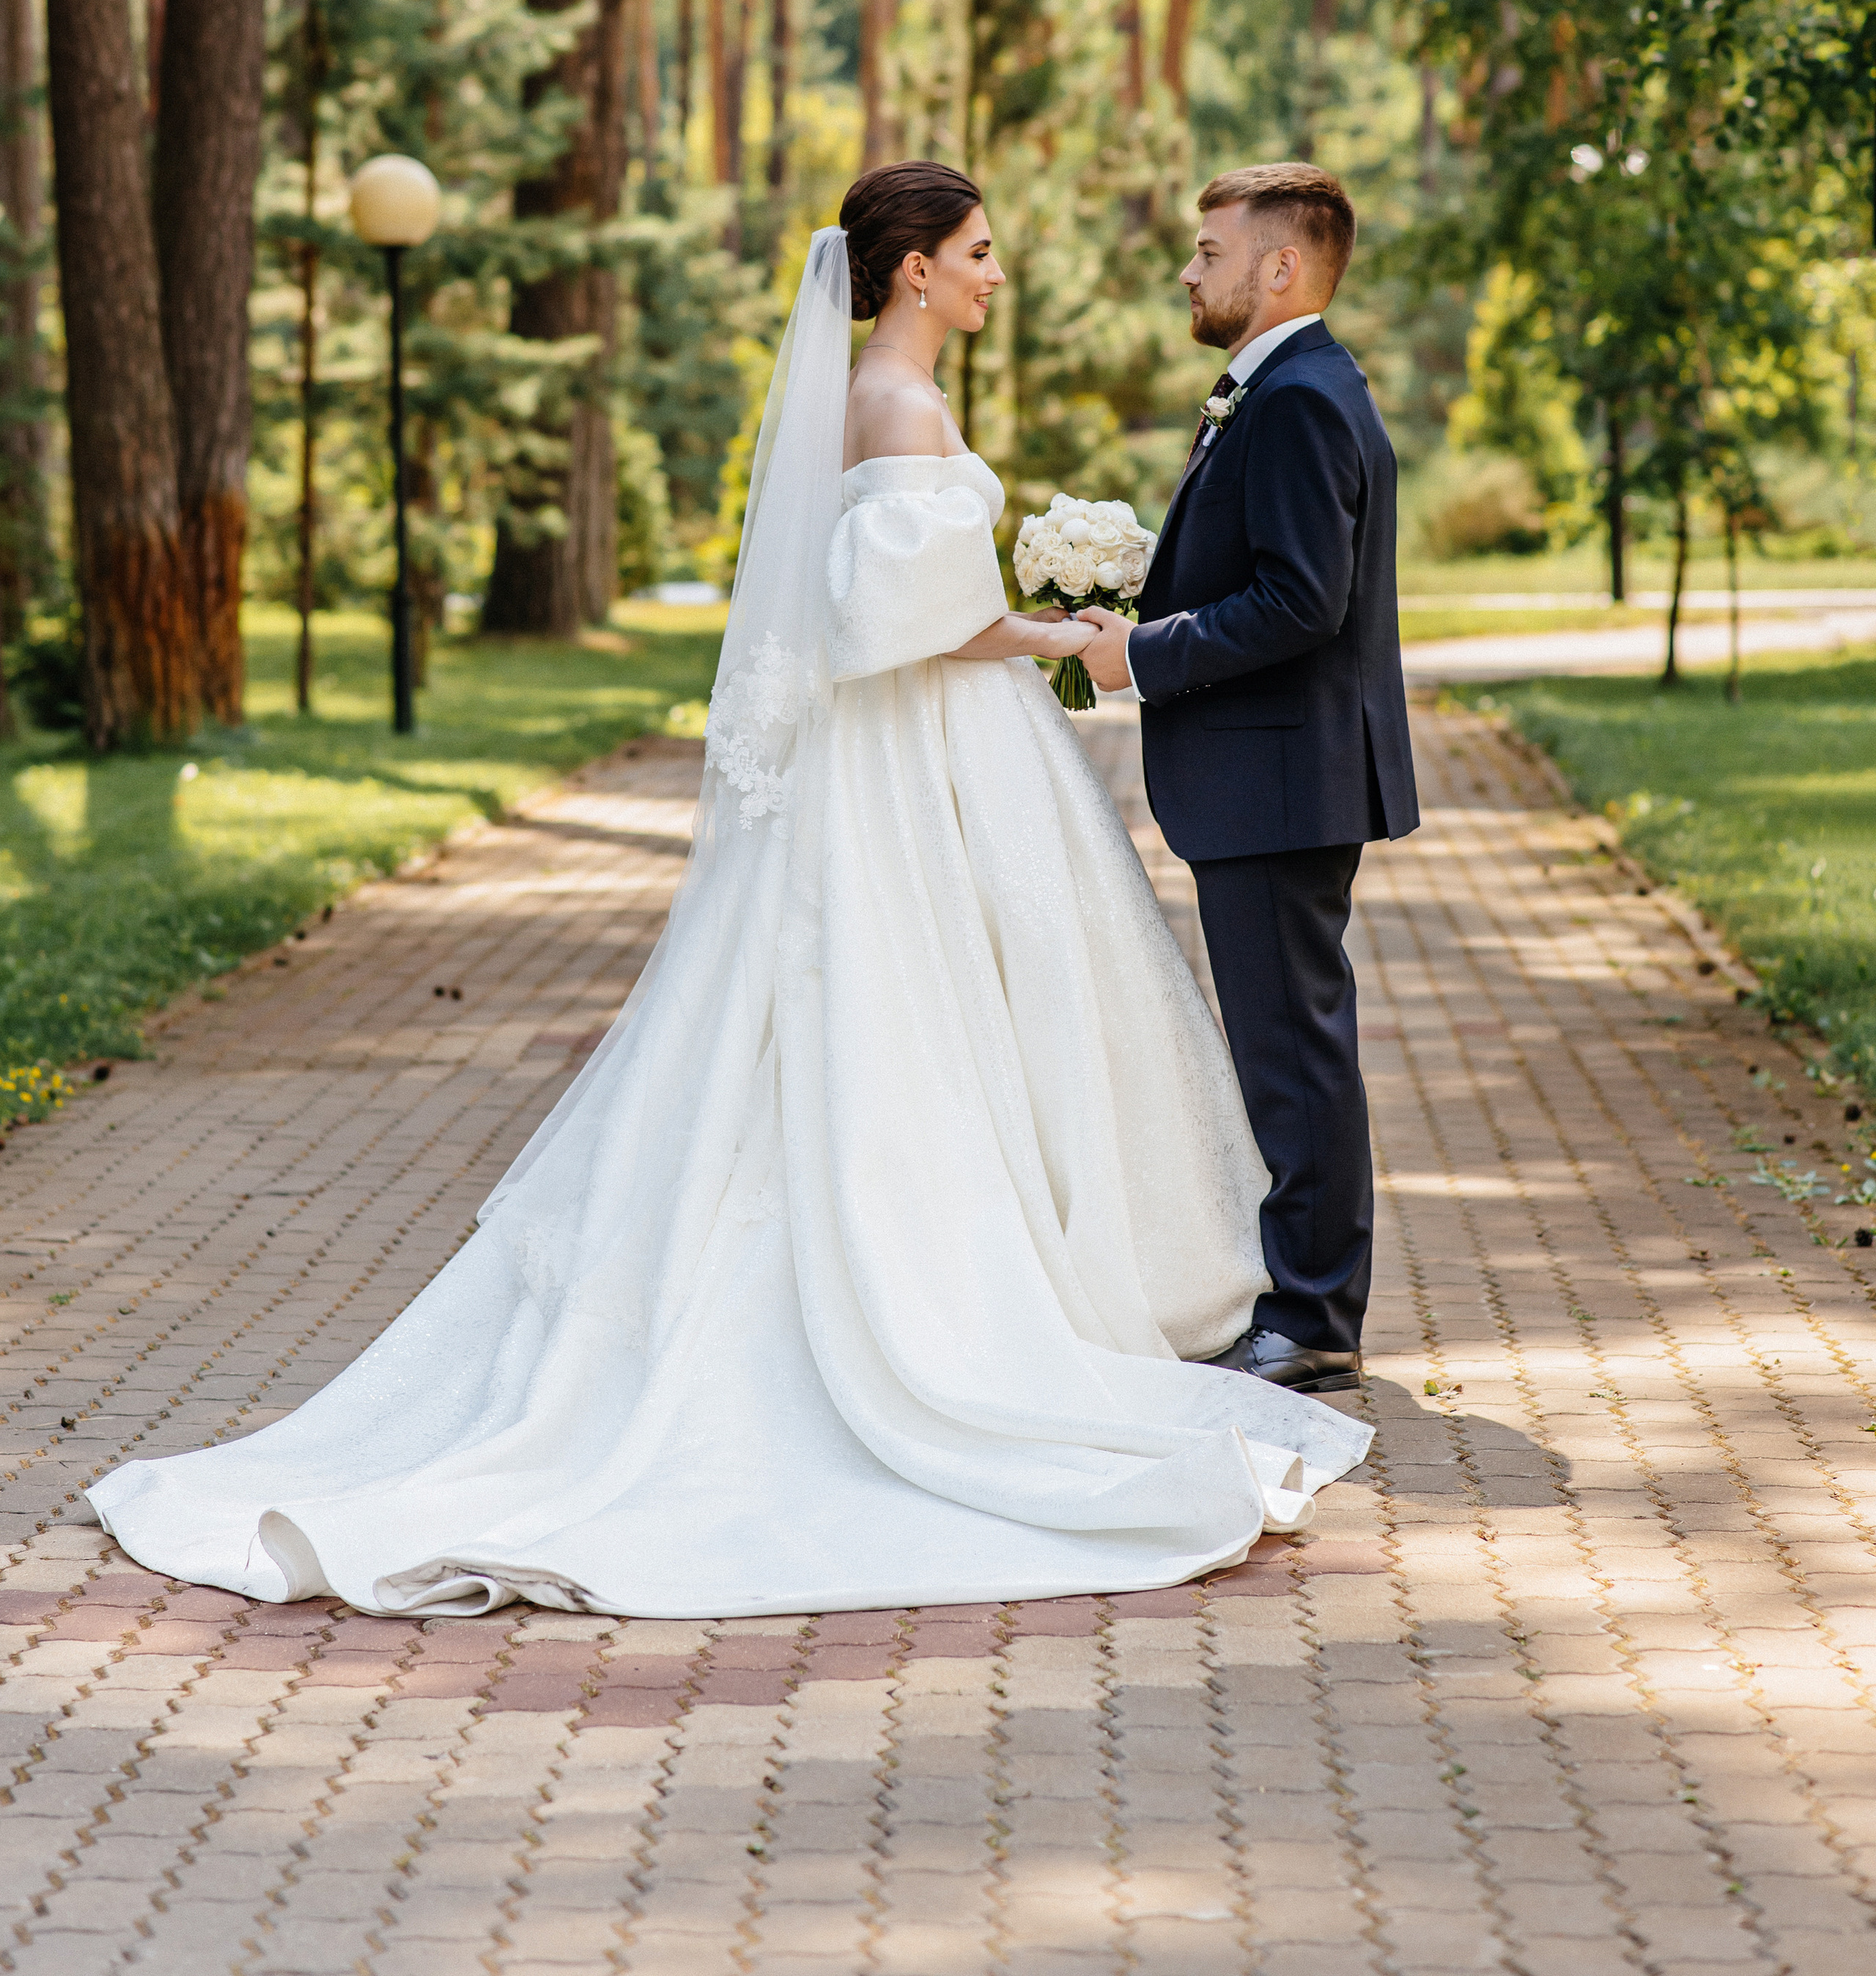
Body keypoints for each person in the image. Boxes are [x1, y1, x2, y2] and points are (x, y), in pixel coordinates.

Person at [88, 165, 1367, 1620]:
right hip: (910, 759)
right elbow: (895, 623)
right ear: (909, 276)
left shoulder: (874, 397)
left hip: (908, 756)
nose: (992, 276)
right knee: (915, 1022)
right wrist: (1054, 631)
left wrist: (1044, 624)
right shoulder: (895, 404)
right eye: (976, 254)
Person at [1082, 163, 1418, 1395]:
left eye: (1211, 249)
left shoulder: (1299, 401)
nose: (1190, 267)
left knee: (1295, 1052)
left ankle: (1317, 1316)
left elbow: (1299, 599)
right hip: (1278, 778)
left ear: (1280, 267)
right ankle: (1304, 1297)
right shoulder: (1285, 389)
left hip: (1280, 781)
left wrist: (1142, 655)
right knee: (1290, 1044)